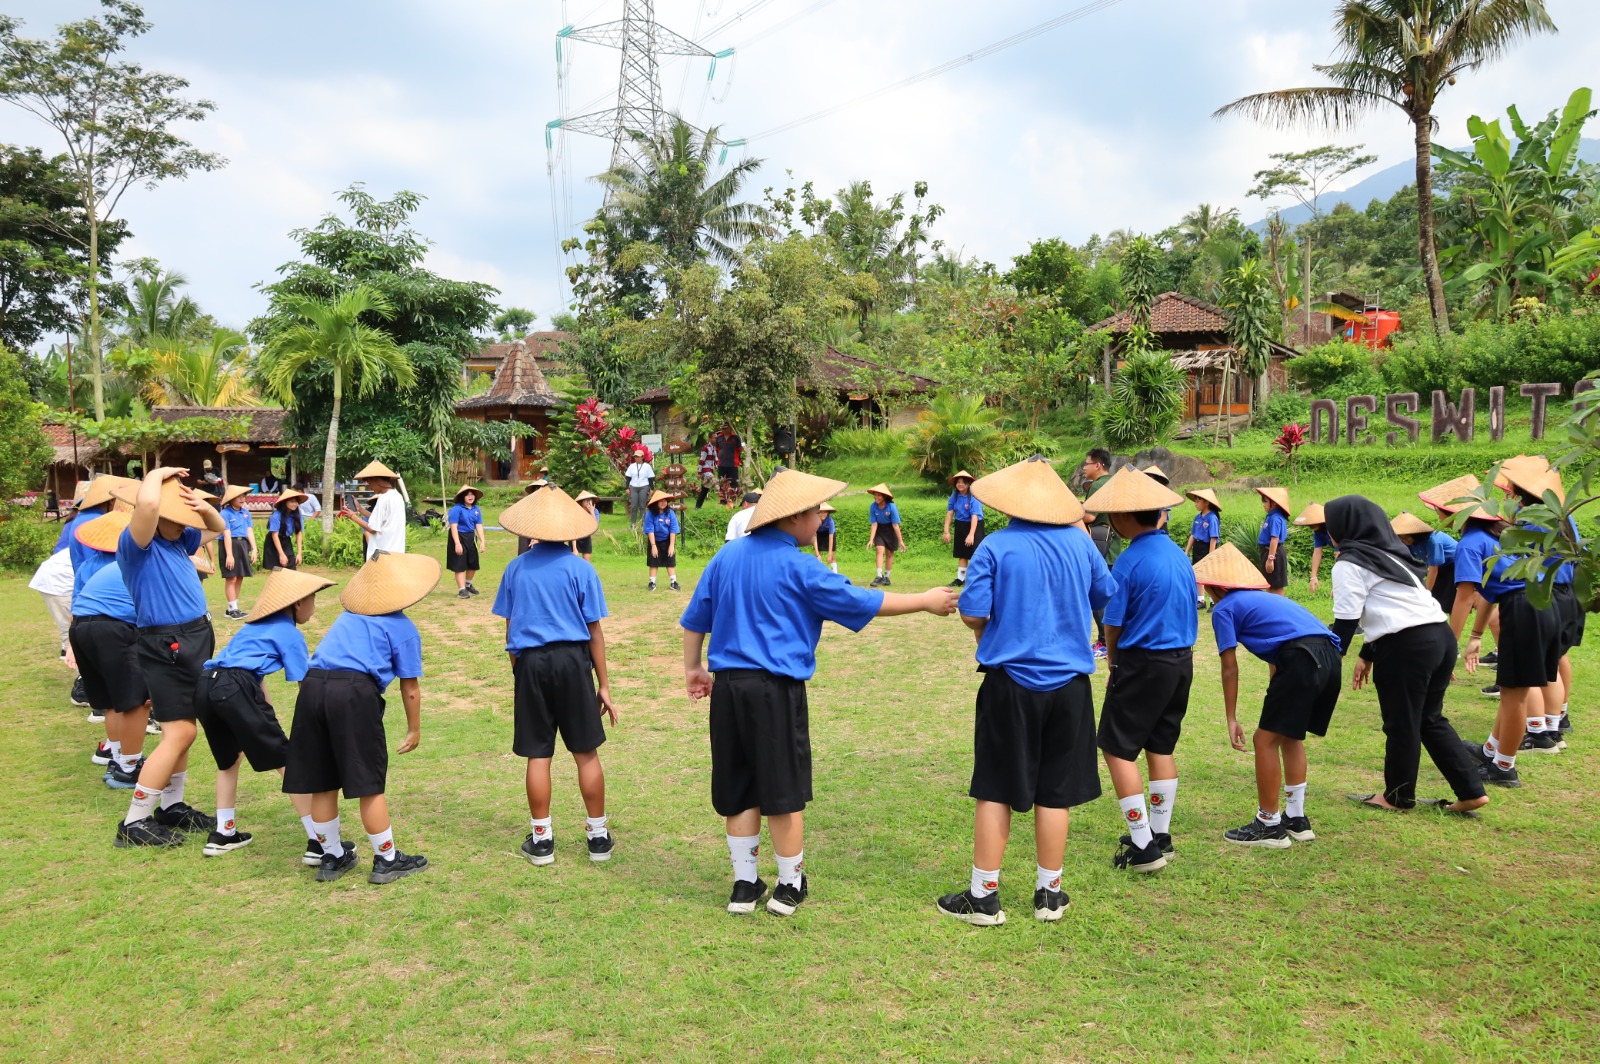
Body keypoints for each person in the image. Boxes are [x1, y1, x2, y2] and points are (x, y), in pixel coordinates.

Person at [681, 469, 959, 917]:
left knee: (739, 787)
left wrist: (694, 668)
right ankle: (789, 887)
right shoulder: (801, 566)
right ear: (794, 518)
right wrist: (924, 600)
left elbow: (696, 619)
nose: (821, 520)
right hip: (775, 690)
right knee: (783, 791)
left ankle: (744, 885)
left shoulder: (726, 558)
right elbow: (862, 602)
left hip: (729, 690)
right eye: (816, 513)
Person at [934, 457, 1112, 926]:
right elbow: (1106, 596)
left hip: (1009, 684)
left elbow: (973, 612)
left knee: (995, 786)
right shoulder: (1081, 542)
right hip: (1071, 686)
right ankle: (1049, 894)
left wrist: (996, 625)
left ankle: (984, 897)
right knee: (1056, 793)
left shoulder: (995, 546)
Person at [1321, 496, 1489, 816]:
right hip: (1438, 638)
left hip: (1407, 646)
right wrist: (1368, 654)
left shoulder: (1350, 562)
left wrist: (1323, 666)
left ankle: (1397, 797)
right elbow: (1393, 607)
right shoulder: (1392, 556)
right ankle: (1471, 791)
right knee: (1429, 718)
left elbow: (1345, 623)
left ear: (1345, 527)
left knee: (1403, 723)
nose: (1329, 532)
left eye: (1331, 525)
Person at [283, 550, 438, 884]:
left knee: (322, 782)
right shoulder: (404, 628)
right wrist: (414, 728)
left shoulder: (348, 617)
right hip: (353, 692)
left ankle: (333, 857)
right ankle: (387, 859)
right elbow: (409, 688)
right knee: (369, 783)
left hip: (312, 689)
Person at [495, 486, 618, 867]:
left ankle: (542, 839)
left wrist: (521, 671)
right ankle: (597, 837)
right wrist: (604, 685)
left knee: (538, 753)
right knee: (585, 752)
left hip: (530, 663)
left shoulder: (515, 569)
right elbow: (594, 631)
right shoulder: (582, 569)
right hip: (573, 662)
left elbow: (511, 629)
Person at [1082, 467, 1195, 875]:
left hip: (1143, 661)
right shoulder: (1179, 555)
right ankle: (1161, 834)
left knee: (1116, 747)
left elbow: (1113, 621)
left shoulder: (1129, 560)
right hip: (1181, 663)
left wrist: (1113, 662)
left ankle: (1143, 845)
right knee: (1160, 747)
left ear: (1126, 518)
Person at [1195, 544, 1341, 849]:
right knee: (1289, 736)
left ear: (1214, 587)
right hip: (1328, 659)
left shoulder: (1224, 609)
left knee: (1264, 740)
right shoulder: (1265, 599)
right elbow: (1280, 651)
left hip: (1301, 660)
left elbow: (1229, 667)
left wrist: (1232, 718)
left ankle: (1268, 824)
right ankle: (1296, 819)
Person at [110, 467, 227, 849]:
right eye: (174, 519)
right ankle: (135, 821)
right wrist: (159, 473)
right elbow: (145, 503)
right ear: (155, 519)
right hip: (168, 644)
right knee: (181, 731)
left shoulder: (178, 541)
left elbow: (218, 526)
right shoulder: (136, 546)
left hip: (194, 636)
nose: (183, 525)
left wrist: (198, 506)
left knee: (185, 728)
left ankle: (171, 806)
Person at [1424, 473, 1558, 785]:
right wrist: (1474, 637)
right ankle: (1493, 752)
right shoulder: (1498, 536)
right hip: (1539, 606)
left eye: (1440, 512)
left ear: (1455, 514)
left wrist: (1449, 646)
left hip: (1523, 612)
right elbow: (1487, 592)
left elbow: (1464, 597)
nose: (1439, 517)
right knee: (1513, 691)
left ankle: (1504, 768)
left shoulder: (1471, 544)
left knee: (1513, 695)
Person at [195, 569, 332, 858]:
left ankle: (224, 833)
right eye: (312, 600)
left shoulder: (253, 627)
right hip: (235, 687)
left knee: (229, 761)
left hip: (207, 685)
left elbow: (252, 678)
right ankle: (320, 842)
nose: (314, 606)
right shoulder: (289, 634)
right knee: (288, 761)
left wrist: (265, 715)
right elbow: (304, 688)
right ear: (297, 604)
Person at [69, 511, 149, 789]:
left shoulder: (99, 566)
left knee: (112, 701)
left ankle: (117, 758)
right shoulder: (145, 561)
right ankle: (129, 766)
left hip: (82, 627)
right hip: (112, 628)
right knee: (136, 700)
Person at [1081, 448, 1117, 655]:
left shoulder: (1097, 485)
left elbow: (1090, 517)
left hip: (1100, 547)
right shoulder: (1113, 482)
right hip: (1113, 544)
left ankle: (1104, 642)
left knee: (1097, 594)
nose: (1084, 468)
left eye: (1087, 464)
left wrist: (1074, 510)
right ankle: (1108, 640)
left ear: (1097, 465)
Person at [1391, 511, 1458, 617]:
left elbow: (1433, 570)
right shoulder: (1408, 543)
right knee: (1436, 598)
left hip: (1455, 565)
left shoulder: (1433, 541)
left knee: (1449, 598)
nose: (1404, 541)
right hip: (1440, 566)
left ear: (1414, 534)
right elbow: (1408, 562)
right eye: (1401, 538)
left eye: (1406, 537)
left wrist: (1426, 593)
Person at [342, 460, 407, 558]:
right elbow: (380, 520)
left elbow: (373, 529)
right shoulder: (397, 496)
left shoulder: (383, 498)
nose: (370, 487)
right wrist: (360, 509)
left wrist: (352, 516)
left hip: (382, 555)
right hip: (395, 553)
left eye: (369, 483)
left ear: (375, 480)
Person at [217, 485, 257, 620]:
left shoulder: (246, 513)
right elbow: (226, 534)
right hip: (229, 545)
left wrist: (254, 548)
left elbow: (249, 531)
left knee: (240, 576)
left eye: (244, 496)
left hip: (243, 544)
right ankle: (233, 609)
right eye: (239, 496)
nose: (242, 499)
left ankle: (232, 608)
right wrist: (229, 555)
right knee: (231, 577)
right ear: (231, 499)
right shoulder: (225, 514)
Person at [942, 470, 985, 588]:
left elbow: (975, 516)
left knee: (976, 554)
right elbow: (950, 513)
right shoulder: (954, 496)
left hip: (974, 526)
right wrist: (946, 531)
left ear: (968, 484)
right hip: (960, 525)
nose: (960, 484)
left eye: (963, 482)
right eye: (958, 482)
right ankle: (960, 579)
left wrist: (971, 534)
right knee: (962, 554)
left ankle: (977, 579)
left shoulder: (973, 497)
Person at [446, 484, 487, 599]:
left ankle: (468, 584)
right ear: (462, 497)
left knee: (473, 563)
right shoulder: (456, 509)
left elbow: (478, 526)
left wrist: (482, 541)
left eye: (472, 494)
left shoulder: (476, 510)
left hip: (470, 536)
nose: (470, 496)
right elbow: (453, 527)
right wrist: (457, 544)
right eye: (467, 494)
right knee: (459, 564)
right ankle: (461, 589)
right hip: (458, 536)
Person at [1184, 488, 1222, 608]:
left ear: (1206, 502)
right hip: (1198, 547)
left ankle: (1213, 600)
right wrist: (1187, 551)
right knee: (1198, 573)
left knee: (1209, 574)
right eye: (1195, 501)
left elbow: (1213, 538)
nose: (1196, 503)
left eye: (1198, 501)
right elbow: (1193, 535)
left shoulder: (1212, 518)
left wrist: (1211, 555)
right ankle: (1201, 600)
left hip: (1208, 547)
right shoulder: (1197, 518)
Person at [643, 490, 681, 591]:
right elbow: (649, 530)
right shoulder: (650, 514)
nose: (663, 503)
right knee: (653, 561)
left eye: (665, 501)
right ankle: (652, 582)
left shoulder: (671, 513)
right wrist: (653, 545)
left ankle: (673, 582)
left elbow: (673, 529)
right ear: (656, 502)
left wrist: (672, 545)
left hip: (668, 540)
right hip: (654, 540)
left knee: (670, 561)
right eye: (661, 501)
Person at [866, 484, 904, 587]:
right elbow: (874, 524)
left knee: (889, 553)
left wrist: (901, 541)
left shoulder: (891, 507)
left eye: (879, 495)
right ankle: (879, 576)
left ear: (884, 496)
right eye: (875, 495)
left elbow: (895, 525)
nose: (876, 498)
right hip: (880, 530)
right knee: (879, 550)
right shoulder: (873, 506)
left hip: (891, 530)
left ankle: (886, 577)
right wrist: (871, 539)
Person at [1256, 487, 1291, 595]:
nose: (1263, 504)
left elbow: (1274, 539)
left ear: (1274, 503)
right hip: (1268, 552)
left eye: (1265, 501)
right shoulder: (1271, 516)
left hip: (1273, 553)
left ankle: (1280, 609)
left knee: (1277, 587)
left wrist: (1270, 559)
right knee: (1269, 585)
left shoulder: (1275, 518)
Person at [263, 489, 306, 571]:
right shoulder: (276, 515)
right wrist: (281, 554)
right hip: (274, 542)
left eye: (296, 502)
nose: (295, 504)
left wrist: (299, 553)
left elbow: (299, 533)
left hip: (286, 540)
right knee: (277, 570)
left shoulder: (297, 515)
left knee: (291, 569)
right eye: (292, 501)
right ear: (285, 502)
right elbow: (274, 535)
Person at [1294, 503, 1331, 594]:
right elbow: (1317, 552)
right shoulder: (1318, 532)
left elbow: (1340, 553)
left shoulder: (1333, 528)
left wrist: (1338, 584)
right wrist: (1313, 577)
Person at [515, 477, 549, 556]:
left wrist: (538, 538)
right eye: (537, 489)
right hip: (527, 535)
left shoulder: (549, 507)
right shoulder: (527, 506)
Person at [624, 448, 655, 530]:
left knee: (642, 506)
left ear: (642, 457)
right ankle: (633, 524)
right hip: (633, 487)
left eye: (638, 457)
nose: (636, 458)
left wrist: (651, 489)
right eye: (635, 457)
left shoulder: (647, 466)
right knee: (634, 506)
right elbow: (628, 478)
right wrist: (627, 488)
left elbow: (650, 478)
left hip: (644, 487)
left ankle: (643, 524)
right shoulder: (632, 466)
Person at [810, 503, 839, 573]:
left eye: (825, 512)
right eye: (820, 512)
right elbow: (814, 537)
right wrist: (817, 554)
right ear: (817, 513)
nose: (822, 514)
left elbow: (831, 538)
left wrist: (829, 554)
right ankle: (817, 573)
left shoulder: (830, 521)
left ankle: (835, 573)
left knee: (832, 556)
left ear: (828, 513)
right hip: (818, 534)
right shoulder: (814, 521)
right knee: (816, 556)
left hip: (829, 534)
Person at [714, 423, 743, 489]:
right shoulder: (718, 438)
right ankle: (723, 498)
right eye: (722, 428)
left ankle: (733, 498)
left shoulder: (736, 438)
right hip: (721, 464)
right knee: (722, 484)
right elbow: (717, 450)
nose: (723, 430)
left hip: (732, 465)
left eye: (725, 428)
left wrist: (738, 460)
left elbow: (739, 450)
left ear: (730, 428)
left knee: (734, 484)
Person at [573, 491, 599, 561]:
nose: (589, 502)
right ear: (581, 502)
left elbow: (595, 527)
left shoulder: (595, 511)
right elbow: (573, 529)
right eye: (586, 500)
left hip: (587, 536)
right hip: (575, 537)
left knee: (587, 559)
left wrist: (592, 512)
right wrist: (574, 548)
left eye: (590, 500)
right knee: (575, 559)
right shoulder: (576, 512)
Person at [694, 436, 718, 508]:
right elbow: (701, 460)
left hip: (710, 470)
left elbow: (716, 459)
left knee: (704, 490)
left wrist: (718, 467)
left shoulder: (714, 448)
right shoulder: (706, 448)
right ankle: (725, 502)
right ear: (710, 439)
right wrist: (699, 473)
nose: (715, 439)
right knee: (717, 485)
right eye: (714, 438)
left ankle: (697, 507)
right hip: (705, 471)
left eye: (716, 438)